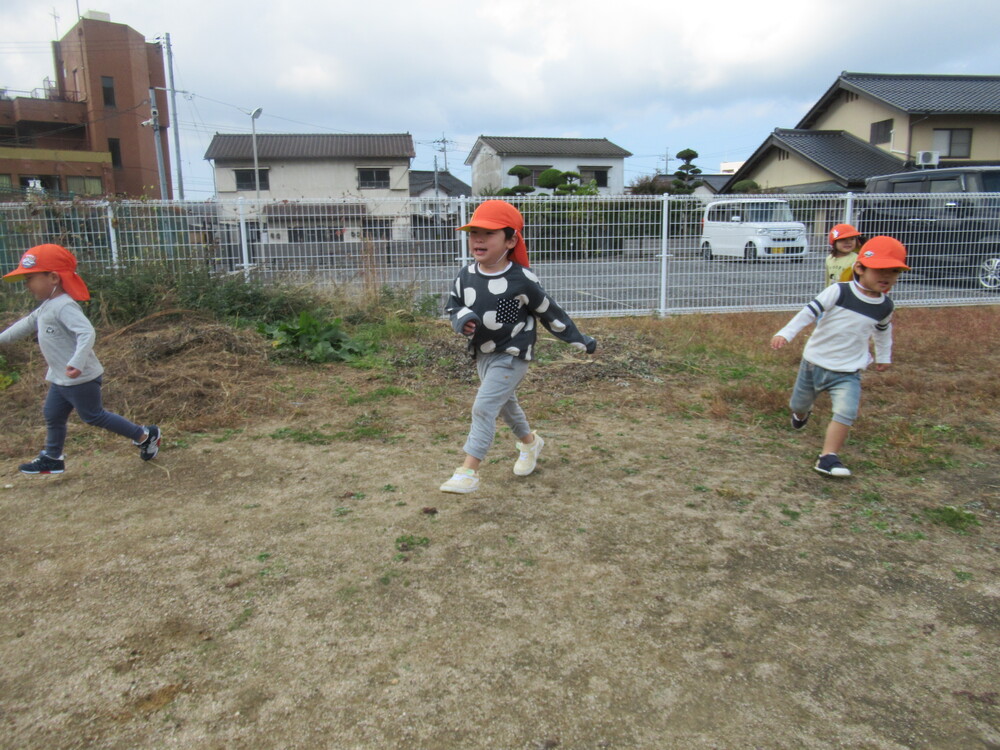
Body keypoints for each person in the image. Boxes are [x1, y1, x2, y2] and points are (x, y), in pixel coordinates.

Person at [440, 200, 597, 494]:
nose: (478, 239)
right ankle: (530, 443)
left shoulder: (522, 280)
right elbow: (453, 307)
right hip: (483, 354)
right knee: (505, 405)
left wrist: (580, 340)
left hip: (513, 355)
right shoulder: (465, 275)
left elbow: (551, 313)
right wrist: (462, 320)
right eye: (474, 233)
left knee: (484, 407)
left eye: (488, 233)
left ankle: (467, 472)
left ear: (511, 240)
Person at [0, 244, 161, 474]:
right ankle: (53, 457)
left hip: (81, 376)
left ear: (53, 277)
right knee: (53, 414)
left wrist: (76, 361)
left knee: (93, 416)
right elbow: (24, 325)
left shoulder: (64, 306)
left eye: (30, 278)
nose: (26, 284)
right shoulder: (47, 306)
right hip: (61, 378)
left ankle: (145, 436)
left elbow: (86, 332)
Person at [770, 236, 909, 478]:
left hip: (848, 370)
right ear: (860, 268)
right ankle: (801, 414)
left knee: (846, 411)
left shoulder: (885, 306)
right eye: (880, 270)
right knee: (798, 404)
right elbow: (808, 313)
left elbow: (883, 331)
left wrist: (883, 356)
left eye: (894, 271)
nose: (887, 276)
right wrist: (786, 333)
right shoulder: (839, 291)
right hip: (814, 363)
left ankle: (828, 457)